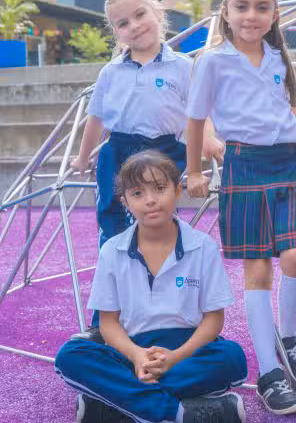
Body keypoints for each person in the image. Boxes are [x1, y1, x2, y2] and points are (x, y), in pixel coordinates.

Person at [186, 0, 296, 416]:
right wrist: (195, 170)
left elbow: (286, 112)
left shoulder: (278, 57)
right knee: (257, 268)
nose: (251, 15)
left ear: (274, 13)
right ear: (225, 11)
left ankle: (288, 339)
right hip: (243, 164)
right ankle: (269, 373)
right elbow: (195, 120)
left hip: (287, 162)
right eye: (241, 7)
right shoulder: (212, 61)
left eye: (262, 7)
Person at [70, 0, 222, 334]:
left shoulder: (183, 66)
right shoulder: (111, 71)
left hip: (164, 152)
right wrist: (81, 157)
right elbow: (96, 119)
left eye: (140, 14)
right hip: (119, 152)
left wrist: (209, 140)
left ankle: (165, 315)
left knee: (157, 229)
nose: (134, 26)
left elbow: (198, 113)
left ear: (158, 13)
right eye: (123, 23)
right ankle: (105, 321)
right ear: (116, 32)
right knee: (113, 233)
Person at [55, 151, 247, 423]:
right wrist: (137, 357)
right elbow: (108, 323)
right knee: (70, 355)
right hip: (132, 351)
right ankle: (177, 414)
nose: (150, 200)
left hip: (187, 351)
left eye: (159, 188)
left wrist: (174, 358)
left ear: (177, 190)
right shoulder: (112, 250)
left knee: (232, 358)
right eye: (137, 193)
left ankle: (115, 405)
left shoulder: (203, 247)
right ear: (125, 202)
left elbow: (214, 319)